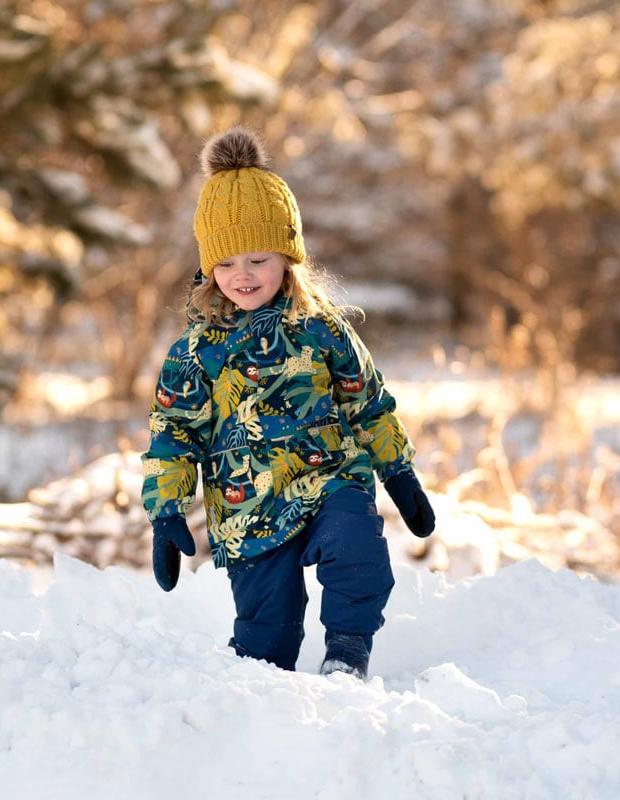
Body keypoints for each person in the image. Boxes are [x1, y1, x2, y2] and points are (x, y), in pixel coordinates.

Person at [141, 125, 435, 679]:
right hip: (247, 503)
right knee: (265, 632)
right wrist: (165, 510)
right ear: (208, 268)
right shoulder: (195, 351)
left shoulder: (322, 330)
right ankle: (266, 701)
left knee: (358, 553)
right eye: (226, 263)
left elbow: (367, 403)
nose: (242, 276)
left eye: (258, 259)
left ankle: (346, 658)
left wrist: (398, 472)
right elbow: (173, 433)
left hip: (330, 477)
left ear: (287, 257)